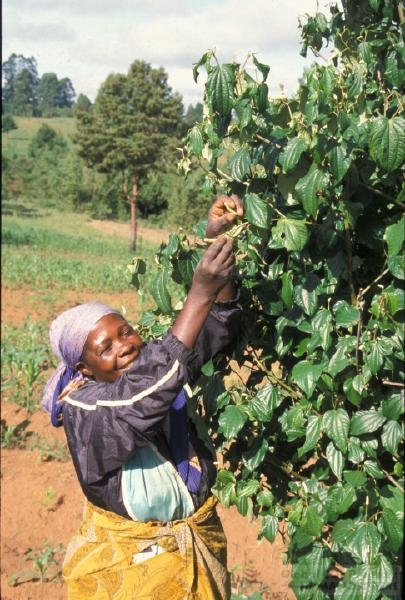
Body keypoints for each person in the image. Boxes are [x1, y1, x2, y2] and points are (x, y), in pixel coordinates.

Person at [41, 195, 244, 600]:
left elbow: (215, 328)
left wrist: (216, 242)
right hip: (135, 566)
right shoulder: (86, 407)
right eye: (105, 348)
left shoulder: (155, 365)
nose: (126, 346)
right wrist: (198, 292)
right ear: (84, 369)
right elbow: (140, 400)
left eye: (126, 332)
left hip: (197, 548)